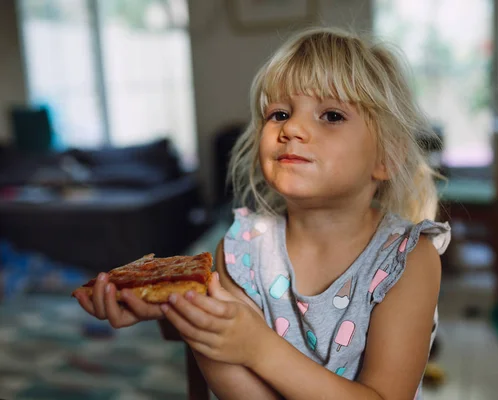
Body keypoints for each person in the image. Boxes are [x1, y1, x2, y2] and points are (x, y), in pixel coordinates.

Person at [74, 27, 451, 400]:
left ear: (387, 157)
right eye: (280, 113)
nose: (292, 128)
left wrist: (259, 348)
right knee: (214, 328)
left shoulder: (407, 261)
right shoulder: (241, 251)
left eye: (332, 115)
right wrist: (166, 305)